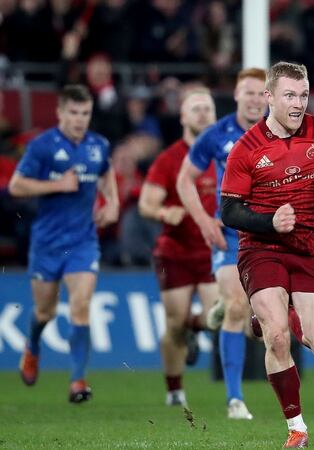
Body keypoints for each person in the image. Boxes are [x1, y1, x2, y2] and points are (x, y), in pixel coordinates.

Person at [220, 61, 314, 449]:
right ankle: (297, 428)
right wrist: (269, 221)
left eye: (303, 95)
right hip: (262, 248)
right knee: (275, 338)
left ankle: (285, 313)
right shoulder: (246, 149)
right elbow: (229, 210)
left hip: (313, 246)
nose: (298, 103)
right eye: (289, 95)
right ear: (268, 97)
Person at [11, 84, 119, 403]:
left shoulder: (98, 145)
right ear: (60, 113)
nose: (79, 119)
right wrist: (57, 184)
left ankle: (77, 381)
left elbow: (106, 174)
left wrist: (111, 203)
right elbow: (16, 186)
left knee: (81, 306)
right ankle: (32, 346)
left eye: (85, 113)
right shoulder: (43, 146)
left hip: (83, 241)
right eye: (73, 113)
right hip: (47, 243)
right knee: (43, 311)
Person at [176, 68, 265, 420]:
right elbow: (185, 180)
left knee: (256, 324)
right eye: (249, 93)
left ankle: (218, 308)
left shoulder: (282, 131)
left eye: (261, 93)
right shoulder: (217, 135)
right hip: (229, 233)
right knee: (237, 309)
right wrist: (202, 220)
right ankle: (235, 400)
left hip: (269, 232)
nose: (256, 99)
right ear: (237, 96)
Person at [138, 88, 219, 408]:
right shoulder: (169, 159)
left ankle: (192, 327)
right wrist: (162, 212)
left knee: (217, 317)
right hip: (176, 250)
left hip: (213, 249)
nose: (202, 113)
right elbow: (146, 203)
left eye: (207, 108)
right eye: (195, 108)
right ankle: (174, 390)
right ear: (183, 117)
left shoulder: (226, 155)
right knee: (173, 323)